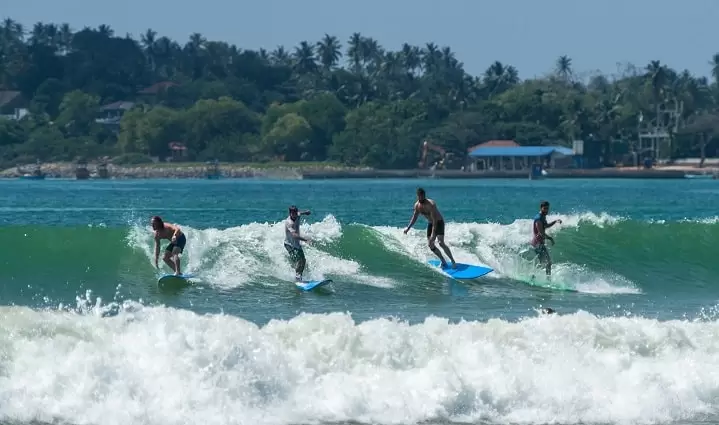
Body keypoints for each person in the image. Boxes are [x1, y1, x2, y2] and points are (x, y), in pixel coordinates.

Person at [403, 187, 457, 269]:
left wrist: (432, 234)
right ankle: (443, 261)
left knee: (440, 242)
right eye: (419, 196)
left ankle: (453, 261)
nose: (421, 198)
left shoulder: (431, 204)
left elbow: (435, 220)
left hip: (438, 222)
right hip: (431, 223)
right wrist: (408, 228)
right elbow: (414, 217)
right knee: (430, 244)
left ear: (424, 195)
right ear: (417, 196)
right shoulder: (417, 205)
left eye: (423, 196)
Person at [531, 201, 562, 277]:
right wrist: (550, 238)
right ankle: (547, 279)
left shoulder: (542, 217)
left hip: (539, 243)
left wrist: (555, 222)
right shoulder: (538, 219)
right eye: (544, 208)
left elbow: (546, 226)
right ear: (541, 208)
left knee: (544, 263)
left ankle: (534, 276)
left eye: (547, 208)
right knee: (548, 263)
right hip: (537, 244)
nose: (546, 210)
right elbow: (541, 233)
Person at [284, 205, 311, 281]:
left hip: (296, 244)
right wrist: (306, 240)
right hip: (289, 244)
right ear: (290, 213)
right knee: (298, 260)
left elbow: (300, 213)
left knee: (303, 260)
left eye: (295, 213)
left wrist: (306, 212)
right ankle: (297, 276)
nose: (295, 215)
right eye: (292, 213)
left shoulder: (297, 214)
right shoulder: (289, 222)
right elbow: (294, 235)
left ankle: (299, 276)